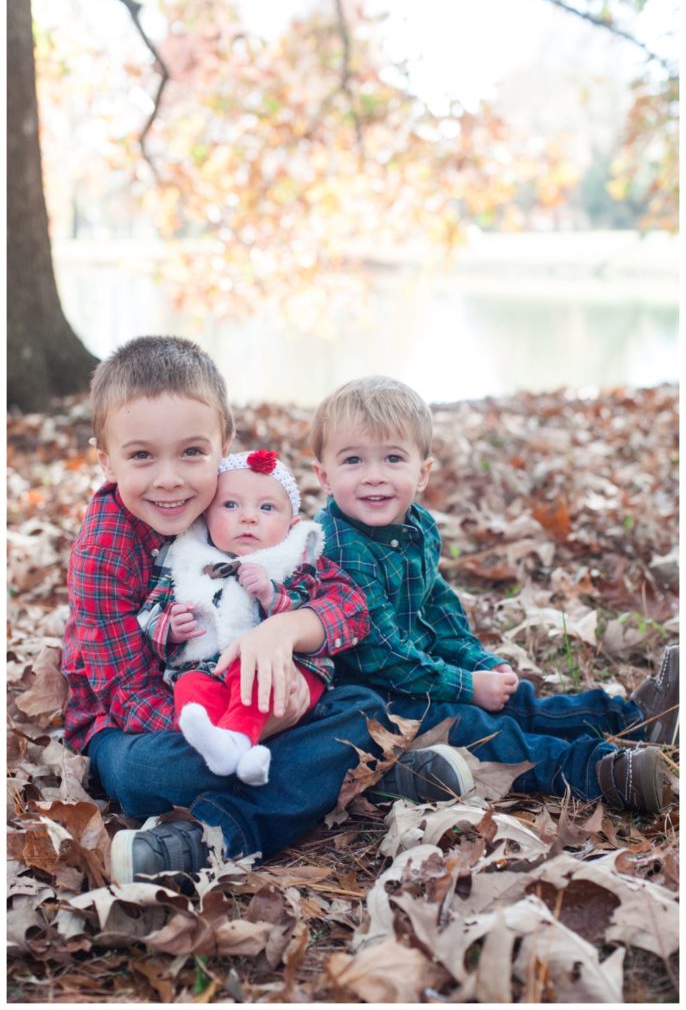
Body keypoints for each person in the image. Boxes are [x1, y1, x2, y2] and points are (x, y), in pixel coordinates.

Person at [61, 337, 470, 887]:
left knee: (361, 702)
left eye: (191, 453)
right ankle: (356, 773)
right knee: (143, 773)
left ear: (222, 446)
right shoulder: (105, 547)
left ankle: (240, 819)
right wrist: (250, 724)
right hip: (139, 724)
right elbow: (125, 693)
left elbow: (347, 605)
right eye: (141, 456)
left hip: (250, 701)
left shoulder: (236, 504)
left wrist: (284, 631)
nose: (169, 479)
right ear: (105, 460)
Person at [311, 375, 679, 814]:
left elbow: (439, 607)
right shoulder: (339, 547)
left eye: (393, 458)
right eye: (353, 460)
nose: (375, 477)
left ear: (423, 472)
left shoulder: (416, 525)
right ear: (324, 476)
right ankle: (599, 772)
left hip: (422, 672)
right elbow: (381, 655)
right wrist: (467, 686)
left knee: (518, 700)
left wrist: (477, 663)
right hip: (375, 699)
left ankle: (633, 720)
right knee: (483, 729)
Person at [138, 448, 342, 785]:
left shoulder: (294, 562)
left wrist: (272, 594)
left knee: (254, 670)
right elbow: (149, 614)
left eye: (266, 508)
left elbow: (315, 606)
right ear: (205, 517)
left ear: (291, 525)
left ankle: (236, 743)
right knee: (189, 688)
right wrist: (170, 628)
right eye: (230, 505)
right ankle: (234, 751)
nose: (248, 517)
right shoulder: (188, 561)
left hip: (286, 673)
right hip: (209, 672)